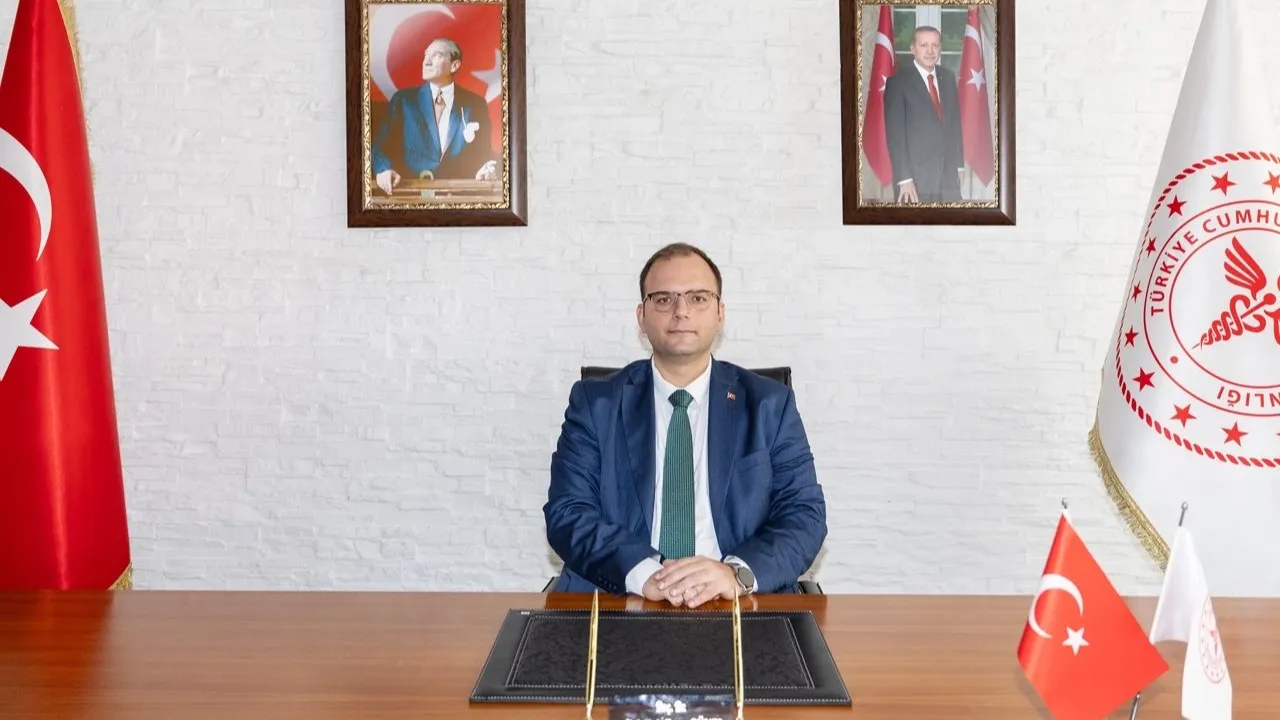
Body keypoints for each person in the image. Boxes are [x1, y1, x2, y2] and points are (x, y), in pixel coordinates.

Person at [543, 243, 827, 607]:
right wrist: (645, 574)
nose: (681, 312)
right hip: (623, 597)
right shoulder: (595, 403)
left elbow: (804, 515)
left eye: (698, 298)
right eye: (664, 299)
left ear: (720, 313)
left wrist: (735, 574)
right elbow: (568, 512)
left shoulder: (770, 405)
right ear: (641, 316)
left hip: (736, 604)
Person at [371, 38, 498, 194]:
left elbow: (483, 152)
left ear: (454, 65)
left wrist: (484, 170)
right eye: (426, 55)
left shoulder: (475, 104)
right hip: (411, 195)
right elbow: (380, 147)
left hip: (457, 196)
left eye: (436, 55)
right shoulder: (403, 100)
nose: (426, 61)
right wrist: (383, 170)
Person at [883, 26, 965, 203]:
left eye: (935, 45)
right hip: (915, 180)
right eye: (924, 45)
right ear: (913, 49)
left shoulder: (948, 77)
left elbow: (954, 124)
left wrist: (959, 164)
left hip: (948, 177)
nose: (930, 51)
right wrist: (904, 179)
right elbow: (895, 135)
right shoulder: (898, 83)